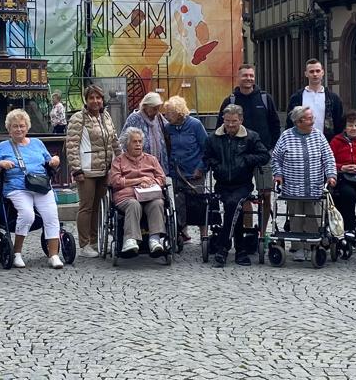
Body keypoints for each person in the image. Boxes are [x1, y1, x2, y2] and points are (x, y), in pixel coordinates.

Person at [0, 107, 64, 269]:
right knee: (27, 214)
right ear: (9, 129)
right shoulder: (2, 146)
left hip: (40, 185)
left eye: (22, 126)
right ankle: (17, 252)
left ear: (27, 127)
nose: (19, 129)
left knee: (51, 216)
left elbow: (50, 161)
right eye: (15, 126)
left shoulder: (37, 143)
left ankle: (53, 255)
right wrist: (0, 164)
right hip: (17, 187)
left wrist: (55, 160)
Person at [203, 104, 270, 267]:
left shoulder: (251, 137)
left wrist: (247, 160)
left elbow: (264, 156)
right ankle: (240, 250)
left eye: (234, 121)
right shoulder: (213, 138)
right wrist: (217, 165)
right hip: (222, 184)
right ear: (223, 120)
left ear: (241, 120)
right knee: (232, 206)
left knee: (233, 204)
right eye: (227, 121)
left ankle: (223, 248)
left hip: (243, 184)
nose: (230, 125)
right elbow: (206, 157)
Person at [220, 64, 282, 210]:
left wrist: (271, 148)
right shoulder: (230, 101)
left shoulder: (265, 99)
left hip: (263, 155)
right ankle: (247, 224)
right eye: (245, 75)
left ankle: (263, 225)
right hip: (238, 157)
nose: (248, 78)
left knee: (265, 193)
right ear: (238, 78)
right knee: (243, 195)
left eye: (251, 75)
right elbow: (221, 128)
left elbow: (275, 125)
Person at [66, 84, 118, 259]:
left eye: (98, 98)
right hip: (87, 170)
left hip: (104, 169)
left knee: (98, 207)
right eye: (91, 98)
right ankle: (84, 243)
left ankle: (95, 241)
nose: (95, 101)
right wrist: (76, 169)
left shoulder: (106, 116)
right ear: (86, 100)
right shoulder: (78, 118)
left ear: (102, 100)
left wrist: (121, 161)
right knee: (86, 207)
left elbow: (114, 141)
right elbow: (72, 145)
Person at [107, 127, 170, 258]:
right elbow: (115, 181)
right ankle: (130, 240)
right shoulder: (118, 161)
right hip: (127, 196)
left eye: (140, 141)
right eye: (134, 142)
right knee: (133, 204)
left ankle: (155, 240)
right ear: (126, 144)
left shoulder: (151, 159)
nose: (138, 145)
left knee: (158, 203)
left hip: (149, 195)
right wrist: (137, 181)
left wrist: (151, 182)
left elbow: (162, 178)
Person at [160, 96, 209, 243]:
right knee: (179, 204)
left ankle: (204, 234)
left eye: (169, 113)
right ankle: (183, 233)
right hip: (177, 172)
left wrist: (201, 168)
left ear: (179, 112)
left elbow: (207, 149)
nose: (166, 116)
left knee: (198, 204)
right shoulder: (168, 128)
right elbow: (167, 149)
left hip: (195, 172)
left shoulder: (195, 125)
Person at [271, 106, 337, 200]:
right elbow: (276, 158)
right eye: (309, 119)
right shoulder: (286, 136)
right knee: (294, 210)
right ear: (298, 122)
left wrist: (331, 175)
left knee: (315, 210)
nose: (313, 122)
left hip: (315, 191)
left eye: (312, 118)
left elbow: (328, 158)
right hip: (292, 192)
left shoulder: (318, 135)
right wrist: (278, 174)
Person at [288, 58, 345, 137]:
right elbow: (290, 123)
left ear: (322, 72)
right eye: (311, 71)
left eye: (317, 71)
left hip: (327, 141)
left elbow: (339, 125)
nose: (315, 74)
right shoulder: (296, 98)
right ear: (306, 74)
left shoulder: (334, 99)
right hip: (301, 141)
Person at [122, 91, 169, 171]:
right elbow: (124, 141)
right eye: (154, 109)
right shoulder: (134, 118)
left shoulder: (158, 117)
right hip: (139, 166)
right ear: (145, 106)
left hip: (159, 165)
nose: (156, 112)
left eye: (158, 109)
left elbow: (168, 128)